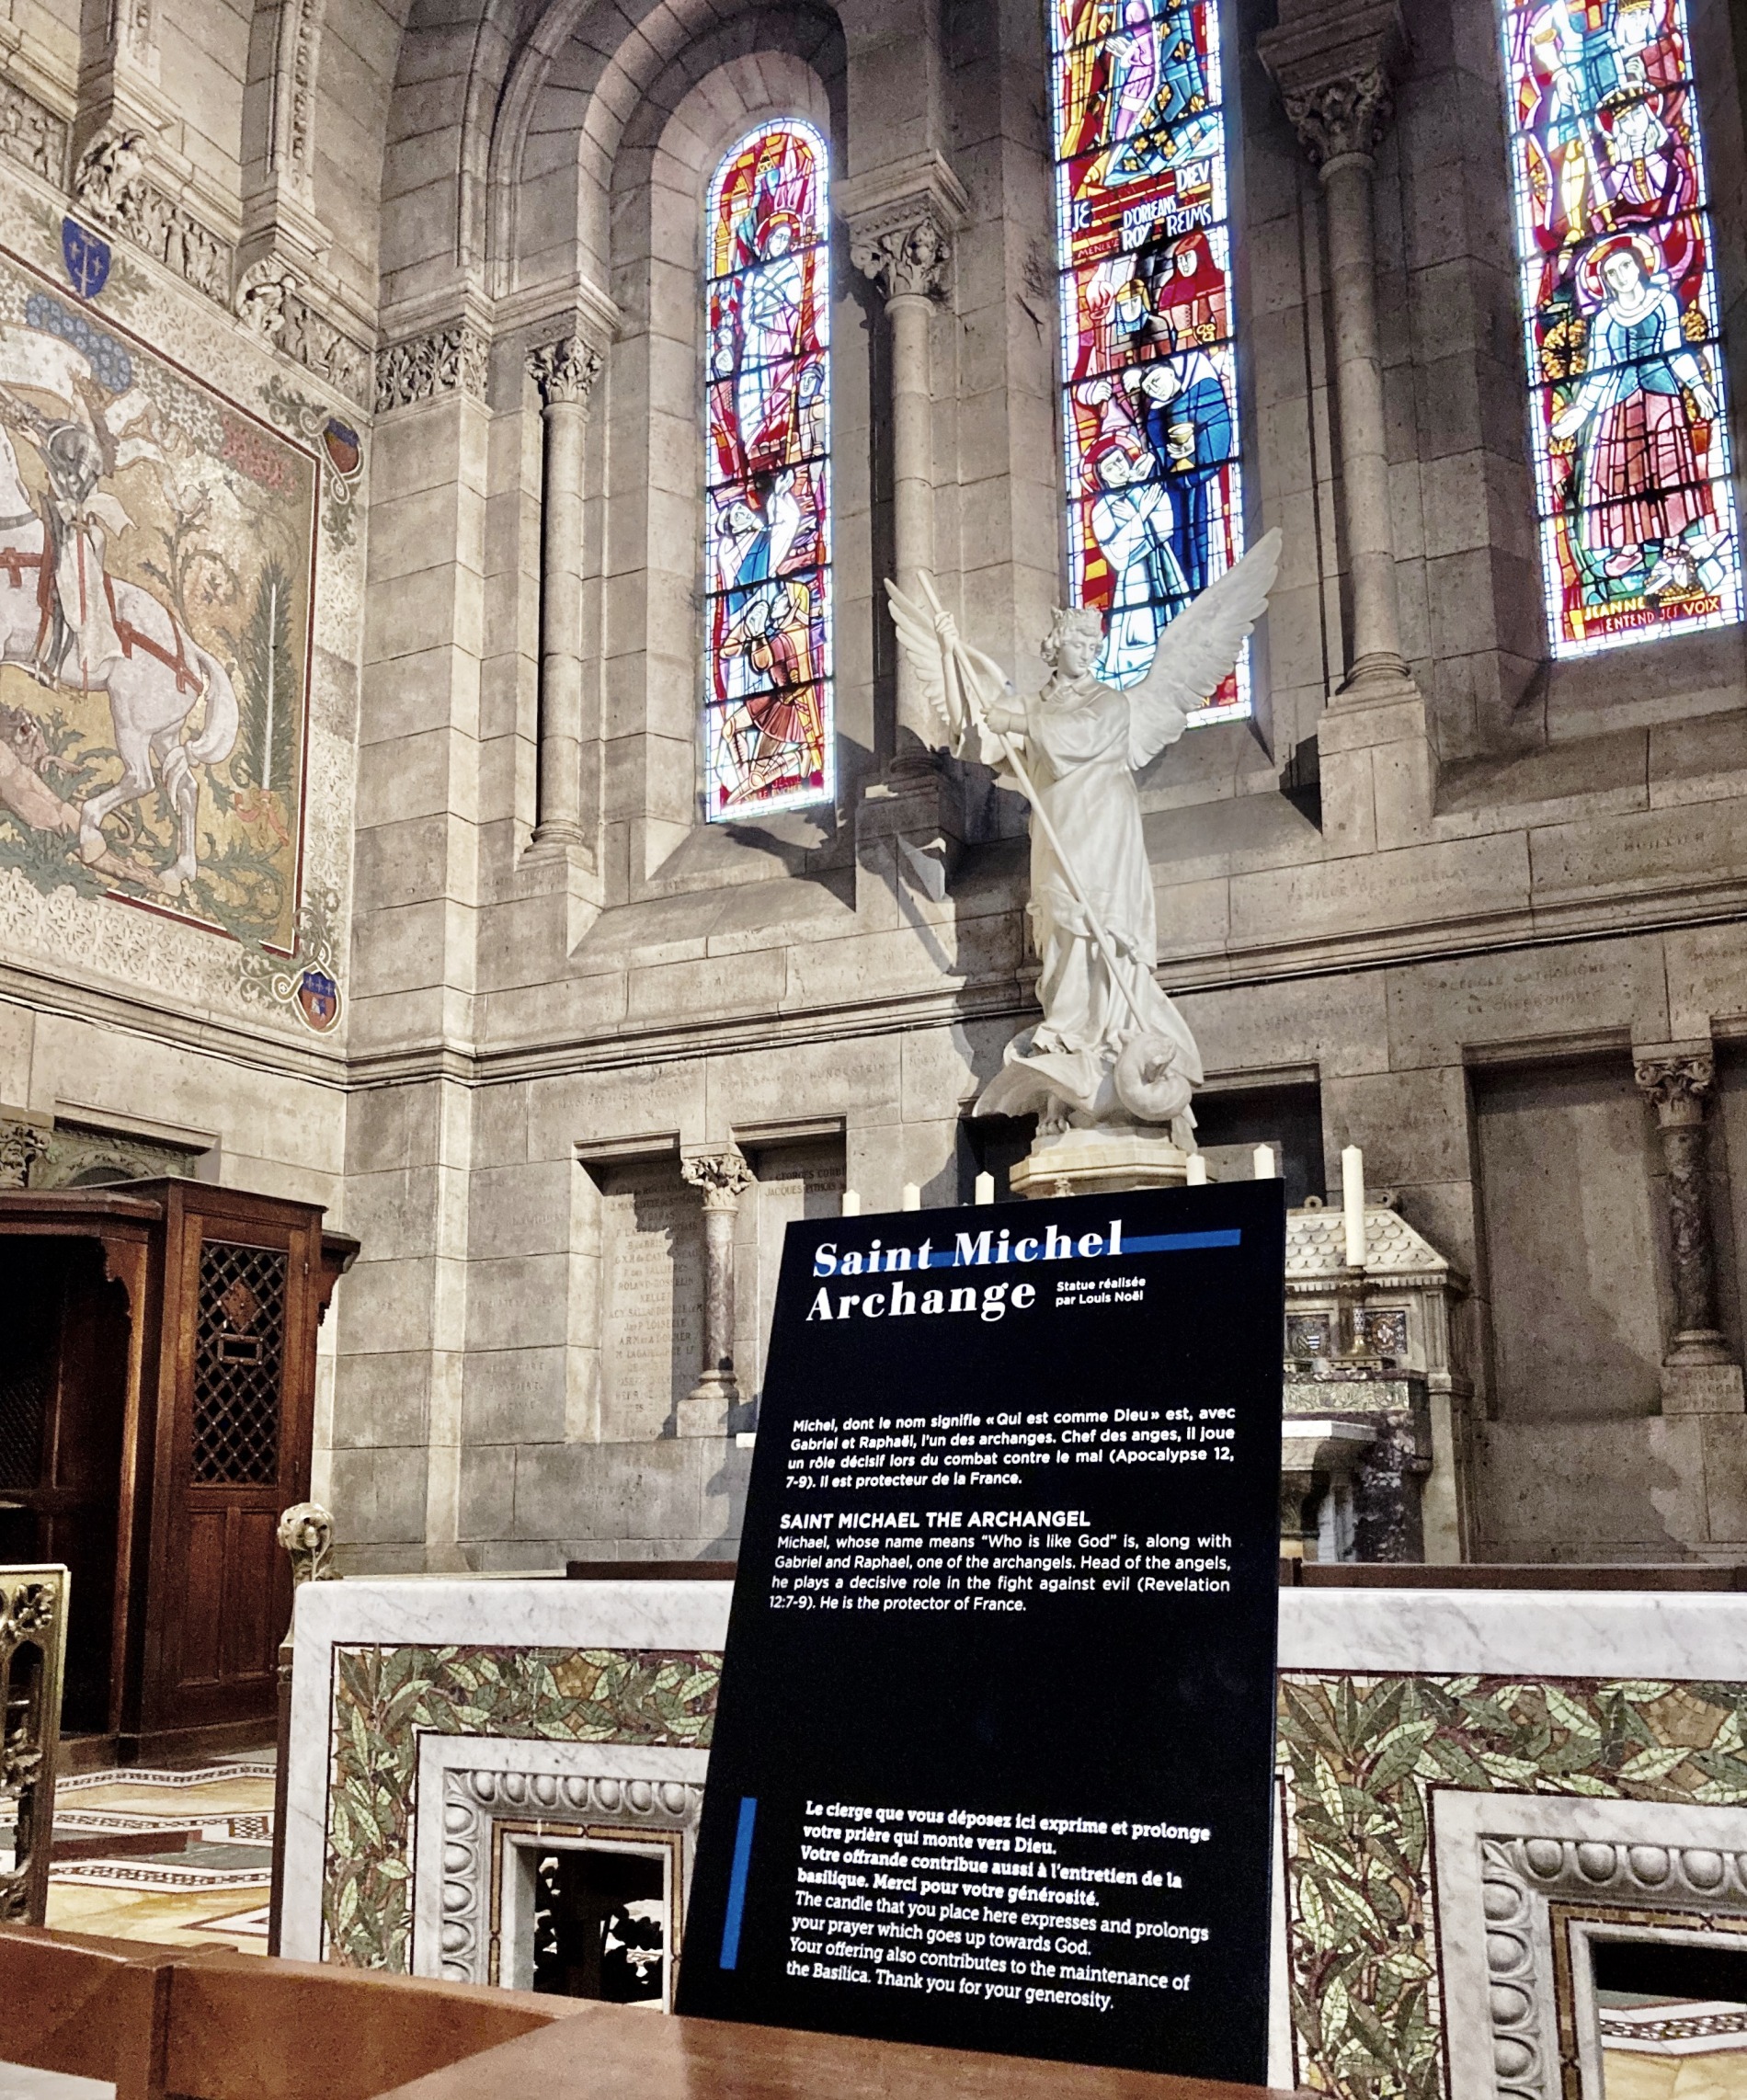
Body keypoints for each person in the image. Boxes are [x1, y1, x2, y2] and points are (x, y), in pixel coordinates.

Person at [1549, 235, 1718, 585]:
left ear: (1640, 267)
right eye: (1611, 273)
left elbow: (1675, 350)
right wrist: (1581, 411)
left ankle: (1672, 542)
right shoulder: (1604, 319)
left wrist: (1697, 385)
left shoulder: (1663, 303)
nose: (1621, 276)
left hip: (1660, 397)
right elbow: (1599, 370)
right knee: (1621, 477)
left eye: (1625, 266)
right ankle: (1629, 546)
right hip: (1619, 403)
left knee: (1667, 470)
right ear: (1605, 282)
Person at [1132, 351, 1234, 595]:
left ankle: (1207, 592)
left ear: (1172, 372)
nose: (1154, 389)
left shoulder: (1204, 390)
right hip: (1175, 491)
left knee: (1206, 541)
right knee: (1179, 546)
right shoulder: (1155, 414)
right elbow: (1161, 455)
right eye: (1148, 388)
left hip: (1208, 486)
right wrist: (1154, 462)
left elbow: (1219, 428)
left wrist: (1195, 448)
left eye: (1156, 380)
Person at [1087, 445, 1189, 683]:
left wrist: (1136, 515)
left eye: (1120, 460)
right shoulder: (1102, 510)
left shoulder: (1146, 490)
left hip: (1164, 567)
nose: (1118, 468)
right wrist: (1140, 515)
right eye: (1110, 468)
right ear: (1103, 478)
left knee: (1178, 625)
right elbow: (1119, 556)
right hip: (1135, 581)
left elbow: (1166, 527)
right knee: (1140, 637)